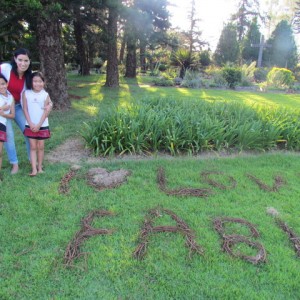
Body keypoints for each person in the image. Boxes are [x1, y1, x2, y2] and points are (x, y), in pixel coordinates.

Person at [22, 72, 51, 176]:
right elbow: (25, 109)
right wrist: (30, 123)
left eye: (40, 81)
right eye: (35, 81)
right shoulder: (26, 93)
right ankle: (33, 169)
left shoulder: (45, 95)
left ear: (43, 82)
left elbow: (46, 112)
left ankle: (40, 167)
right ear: (31, 82)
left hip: (42, 124)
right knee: (33, 146)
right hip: (30, 124)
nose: (38, 83)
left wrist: (39, 124)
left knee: (41, 146)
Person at [0, 74, 15, 171]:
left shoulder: (10, 97)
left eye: (3, 84)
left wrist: (3, 114)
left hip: (2, 125)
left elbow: (12, 115)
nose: (1, 87)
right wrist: (2, 109)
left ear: (7, 83)